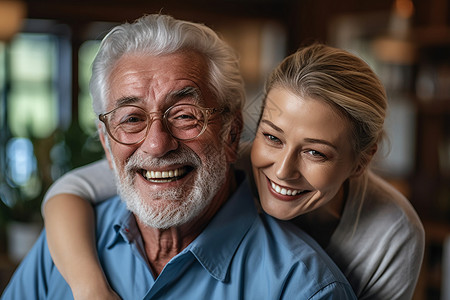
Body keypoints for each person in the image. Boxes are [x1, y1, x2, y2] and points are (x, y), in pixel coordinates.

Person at [1, 15, 357, 300]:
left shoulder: (304, 288)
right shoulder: (61, 250)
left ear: (231, 133)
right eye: (132, 118)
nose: (156, 145)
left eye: (185, 115)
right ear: (107, 145)